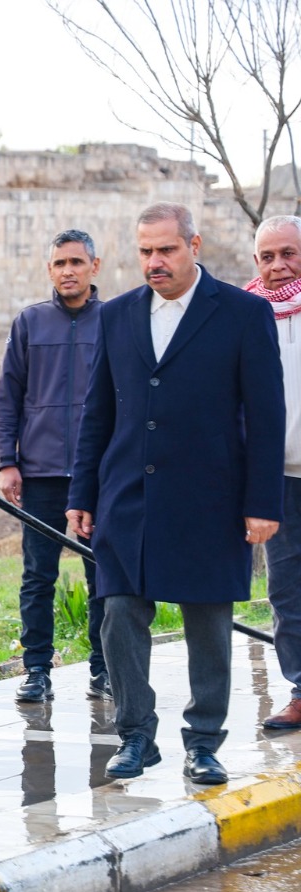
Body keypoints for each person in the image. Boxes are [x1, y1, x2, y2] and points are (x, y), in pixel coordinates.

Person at [66, 202, 284, 784]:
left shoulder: (243, 313)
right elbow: (98, 413)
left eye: (166, 249)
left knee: (207, 622)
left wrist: (263, 502)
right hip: (127, 494)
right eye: (145, 251)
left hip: (211, 496)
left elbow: (267, 414)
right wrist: (80, 493)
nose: (154, 262)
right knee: (117, 614)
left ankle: (204, 741)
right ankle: (136, 735)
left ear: (195, 245)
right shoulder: (116, 315)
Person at [0, 230, 110, 703]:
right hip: (40, 473)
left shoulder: (116, 320)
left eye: (77, 262)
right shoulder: (30, 323)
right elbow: (9, 396)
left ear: (94, 267)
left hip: (99, 474)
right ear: (49, 270)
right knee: (37, 575)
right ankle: (37, 671)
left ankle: (104, 669)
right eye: (60, 263)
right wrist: (8, 461)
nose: (68, 271)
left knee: (102, 576)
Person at [247, 216, 301, 730]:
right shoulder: (246, 314)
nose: (278, 266)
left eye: (289, 253)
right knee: (285, 590)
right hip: (275, 476)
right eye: (267, 256)